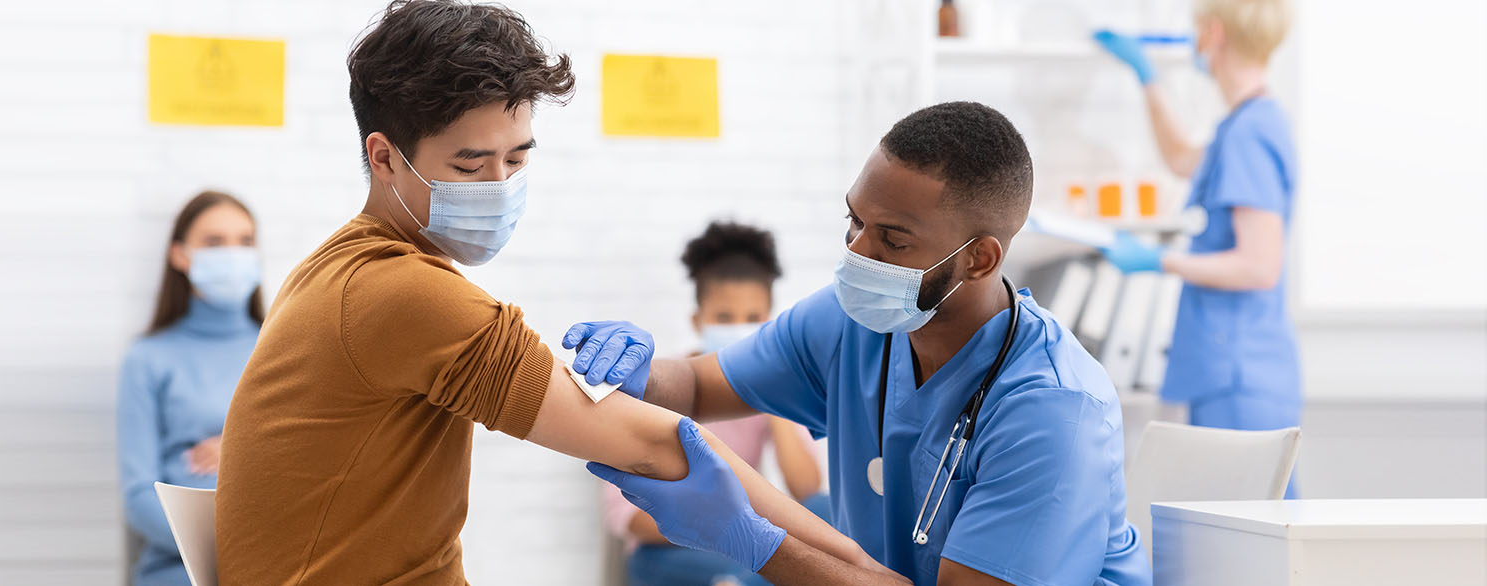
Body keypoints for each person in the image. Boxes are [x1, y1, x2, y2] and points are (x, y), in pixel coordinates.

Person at [214, 2, 894, 584]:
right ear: (385, 156)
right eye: (468, 164)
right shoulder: (402, 293)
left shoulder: (337, 269)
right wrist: (864, 574)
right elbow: (664, 444)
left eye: (516, 158)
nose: (500, 186)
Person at [573, 102, 1150, 585]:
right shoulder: (849, 323)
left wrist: (750, 541)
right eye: (855, 221)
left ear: (980, 258)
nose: (858, 252)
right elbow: (698, 386)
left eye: (893, 240)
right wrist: (640, 372)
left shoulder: (1053, 411)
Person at [1093, 0, 1301, 496]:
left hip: (1239, 370)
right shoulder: (1245, 124)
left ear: (1213, 32)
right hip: (1233, 365)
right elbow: (1182, 157)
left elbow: (1258, 265)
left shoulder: (1250, 133)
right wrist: (1146, 77)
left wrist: (1157, 261)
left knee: (1250, 535)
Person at [607, 221, 830, 586]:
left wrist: (771, 400)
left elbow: (807, 491)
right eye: (724, 319)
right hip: (671, 551)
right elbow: (625, 518)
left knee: (827, 513)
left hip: (744, 547)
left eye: (753, 320)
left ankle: (741, 580)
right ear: (698, 321)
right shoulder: (659, 390)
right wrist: (721, 526)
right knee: (769, 566)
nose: (739, 330)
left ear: (770, 323)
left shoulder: (769, 391)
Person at [117, 191, 264, 586]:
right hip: (177, 570)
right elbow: (138, 497)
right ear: (180, 255)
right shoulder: (148, 359)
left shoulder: (286, 349)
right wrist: (226, 550)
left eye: (245, 241)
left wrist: (239, 446)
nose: (233, 254)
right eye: (215, 242)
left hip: (277, 562)